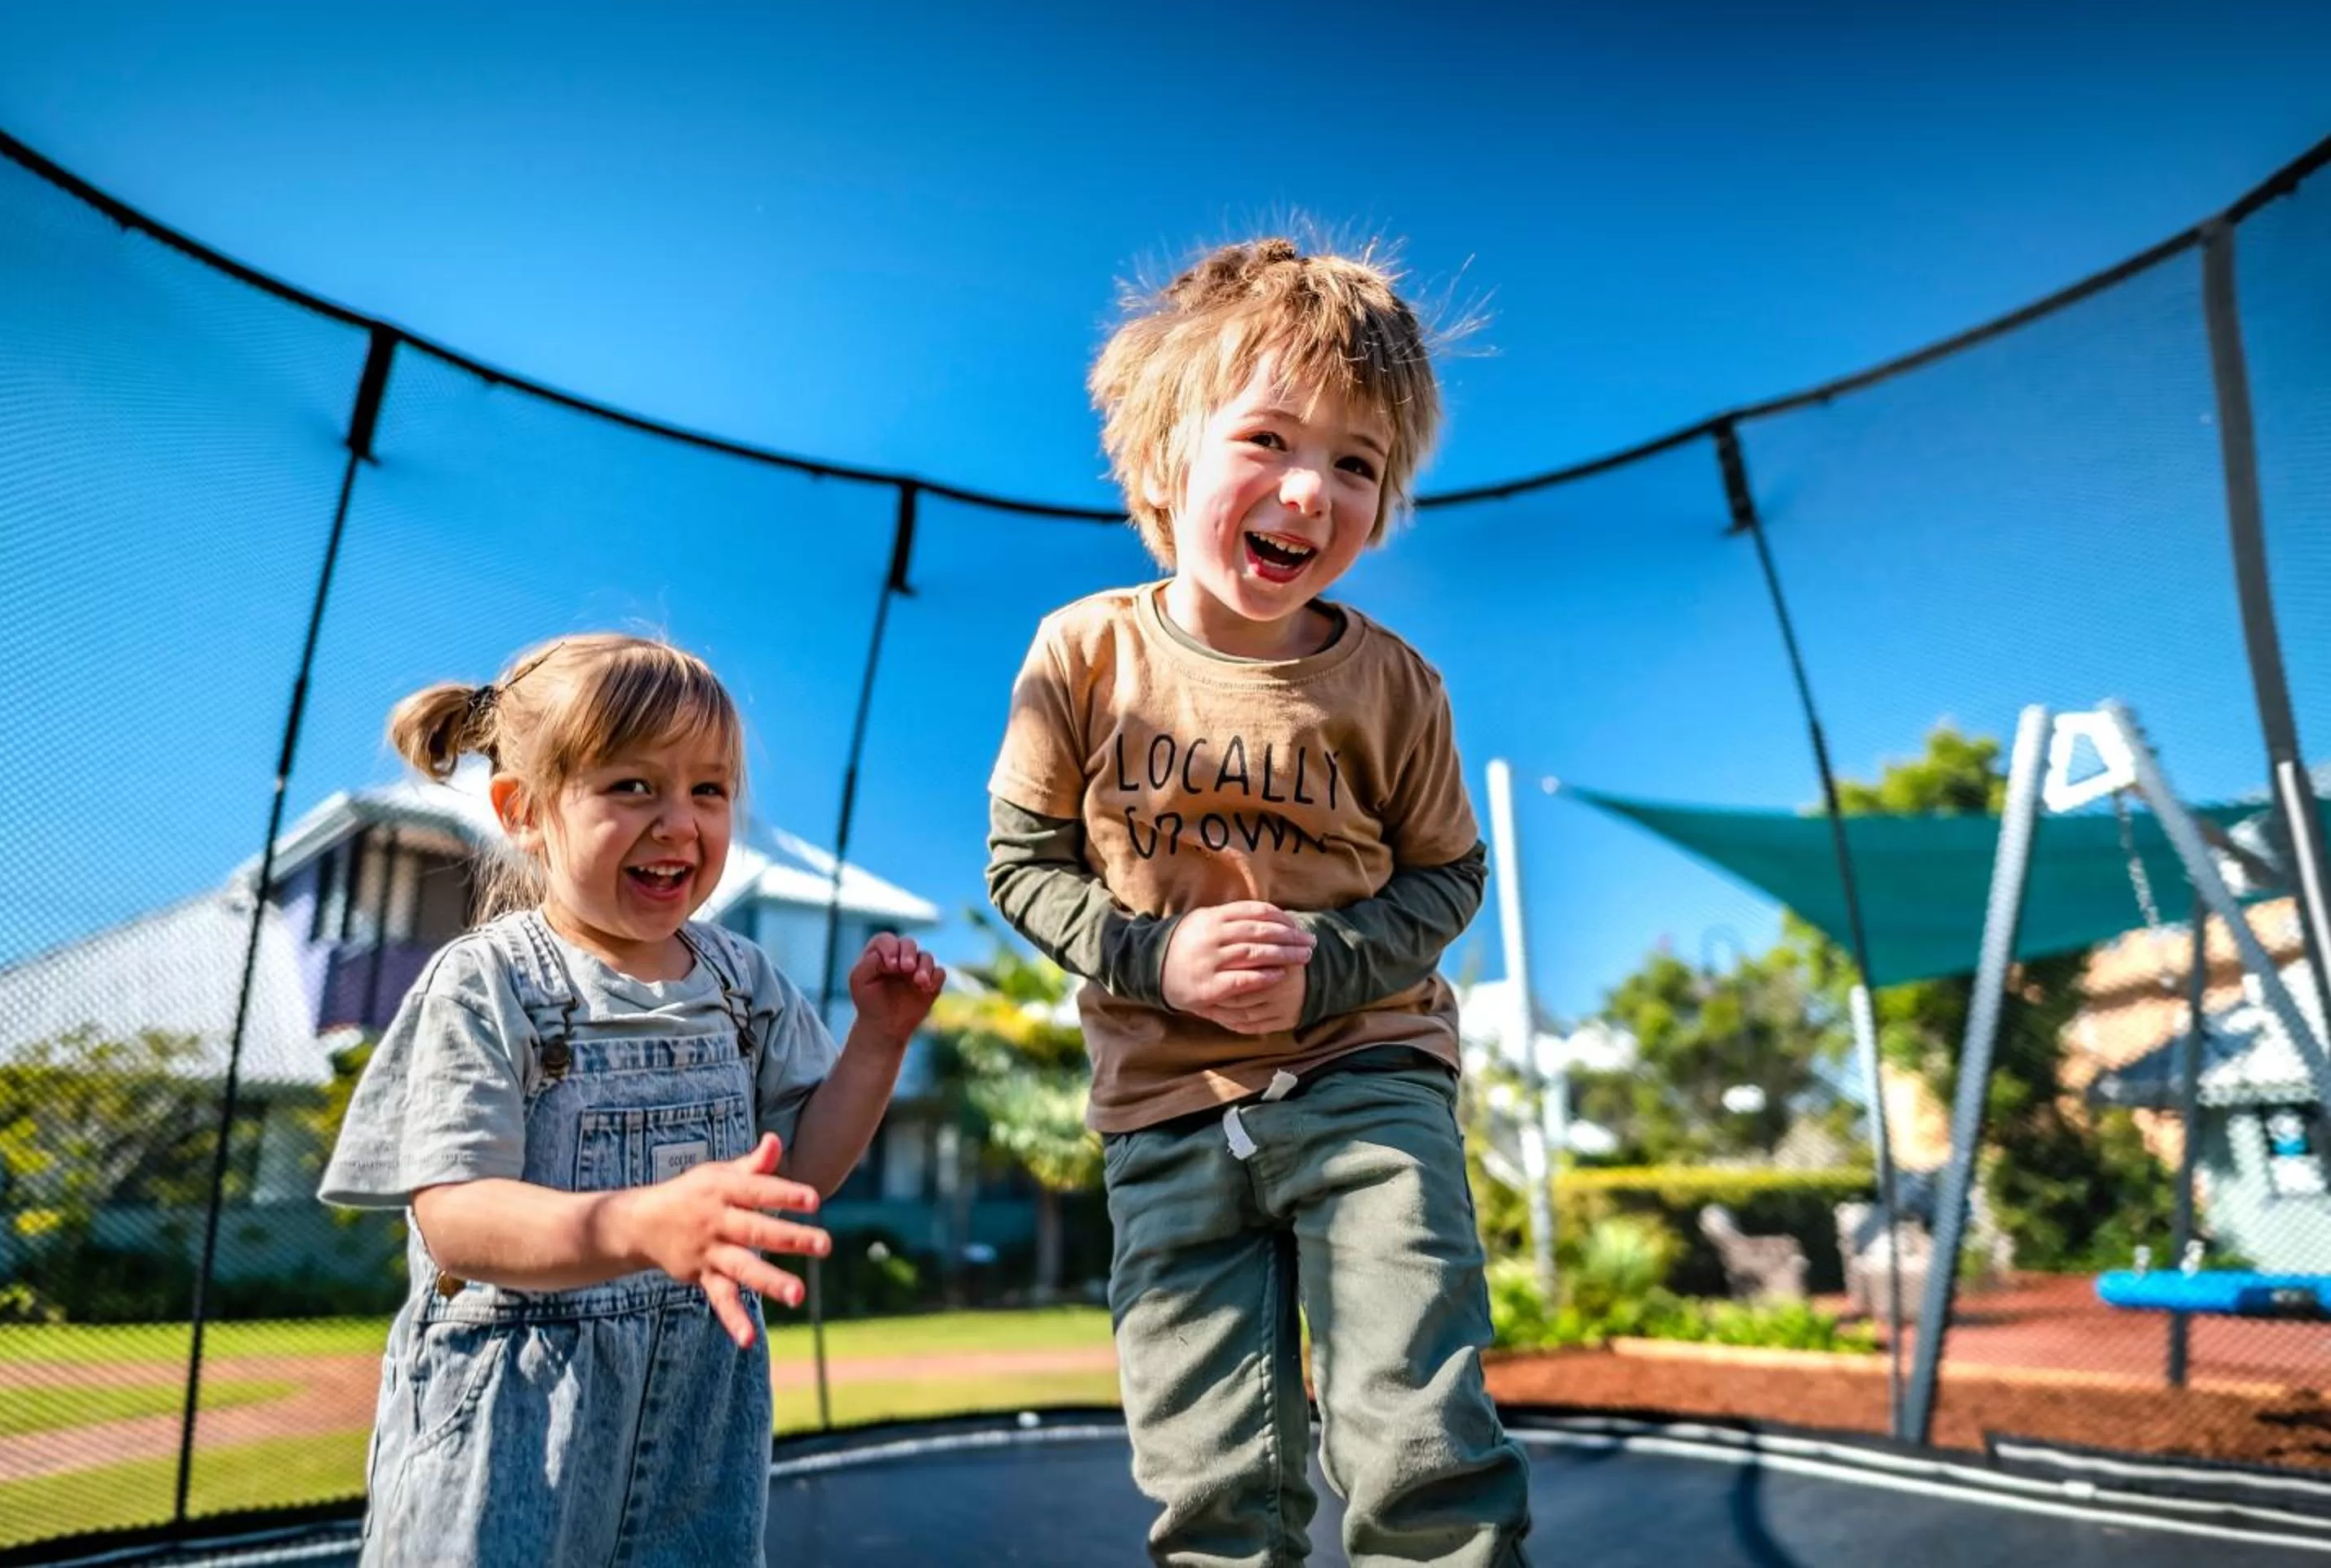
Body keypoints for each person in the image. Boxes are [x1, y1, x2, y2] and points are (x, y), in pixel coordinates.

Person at [985, 237, 1531, 1566]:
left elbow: (1450, 872)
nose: (1311, 488)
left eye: (1357, 463)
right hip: (1168, 1107)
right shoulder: (1084, 653)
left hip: (1368, 1076)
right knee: (1211, 1469)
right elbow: (1021, 865)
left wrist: (1332, 967)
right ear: (1166, 457)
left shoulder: (1395, 687)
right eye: (1271, 440)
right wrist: (1153, 960)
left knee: (1416, 1431)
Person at [320, 632, 941, 1567]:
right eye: (633, 787)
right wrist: (638, 1223)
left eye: (709, 789)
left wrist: (879, 1042)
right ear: (524, 811)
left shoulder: (743, 982)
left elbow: (801, 1172)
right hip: (513, 1421)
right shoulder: (488, 981)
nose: (680, 822)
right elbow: (456, 1216)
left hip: (700, 1420)